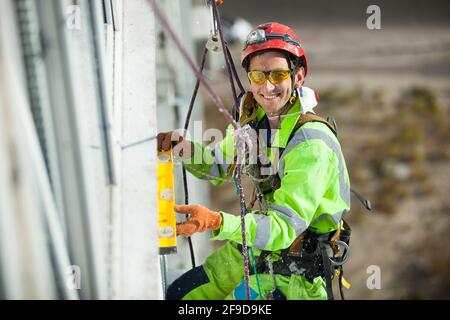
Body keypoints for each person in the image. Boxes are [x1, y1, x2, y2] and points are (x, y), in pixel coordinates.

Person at [158, 22, 351, 300]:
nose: (267, 86)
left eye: (279, 74)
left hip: (296, 278)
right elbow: (220, 164)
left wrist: (216, 222)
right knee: (180, 295)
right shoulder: (254, 119)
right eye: (258, 76)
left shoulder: (310, 143)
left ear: (298, 77)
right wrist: (183, 149)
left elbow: (283, 227)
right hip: (255, 250)